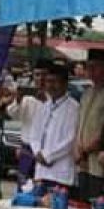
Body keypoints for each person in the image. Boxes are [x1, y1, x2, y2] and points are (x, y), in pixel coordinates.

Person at [31, 61, 79, 191]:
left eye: (55, 82)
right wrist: (37, 153)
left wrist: (48, 156)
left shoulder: (73, 108)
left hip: (61, 173)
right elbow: (34, 134)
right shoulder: (44, 106)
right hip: (41, 171)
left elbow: (70, 139)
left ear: (65, 84)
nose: (51, 86)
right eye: (48, 81)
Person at [0, 62, 47, 186]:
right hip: (26, 148)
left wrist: (45, 101)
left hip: (44, 150)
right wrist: (18, 100)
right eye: (37, 75)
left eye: (44, 75)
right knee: (23, 185)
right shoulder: (27, 99)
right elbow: (12, 115)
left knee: (39, 187)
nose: (40, 79)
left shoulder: (52, 99)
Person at [74, 49, 104, 198]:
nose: (91, 71)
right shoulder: (87, 93)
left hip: (98, 162)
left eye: (95, 67)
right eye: (88, 67)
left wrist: (86, 149)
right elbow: (79, 124)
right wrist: (77, 148)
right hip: (82, 162)